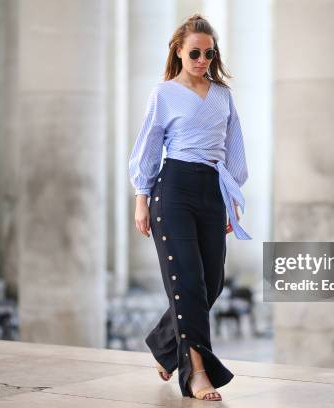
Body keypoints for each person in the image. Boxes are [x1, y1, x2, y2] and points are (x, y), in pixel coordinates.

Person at [128, 13, 251, 401]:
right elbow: (148, 147)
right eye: (194, 52)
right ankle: (196, 372)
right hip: (174, 189)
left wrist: (232, 200)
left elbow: (234, 151)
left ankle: (166, 343)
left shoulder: (222, 95)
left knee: (211, 282)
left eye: (209, 54)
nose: (202, 60)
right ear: (179, 52)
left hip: (212, 191)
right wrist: (141, 200)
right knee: (188, 285)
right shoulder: (163, 94)